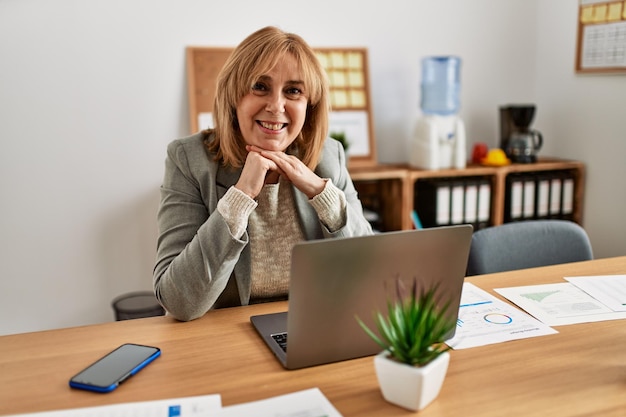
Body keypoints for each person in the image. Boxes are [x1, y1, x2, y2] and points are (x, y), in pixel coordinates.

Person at [154, 26, 373, 321]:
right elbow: (178, 301)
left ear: (310, 105)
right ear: (234, 96)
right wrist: (240, 197)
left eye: (293, 91)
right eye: (260, 86)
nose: (275, 105)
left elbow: (371, 273)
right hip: (227, 340)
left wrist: (322, 194)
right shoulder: (189, 159)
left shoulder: (327, 156)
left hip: (315, 327)